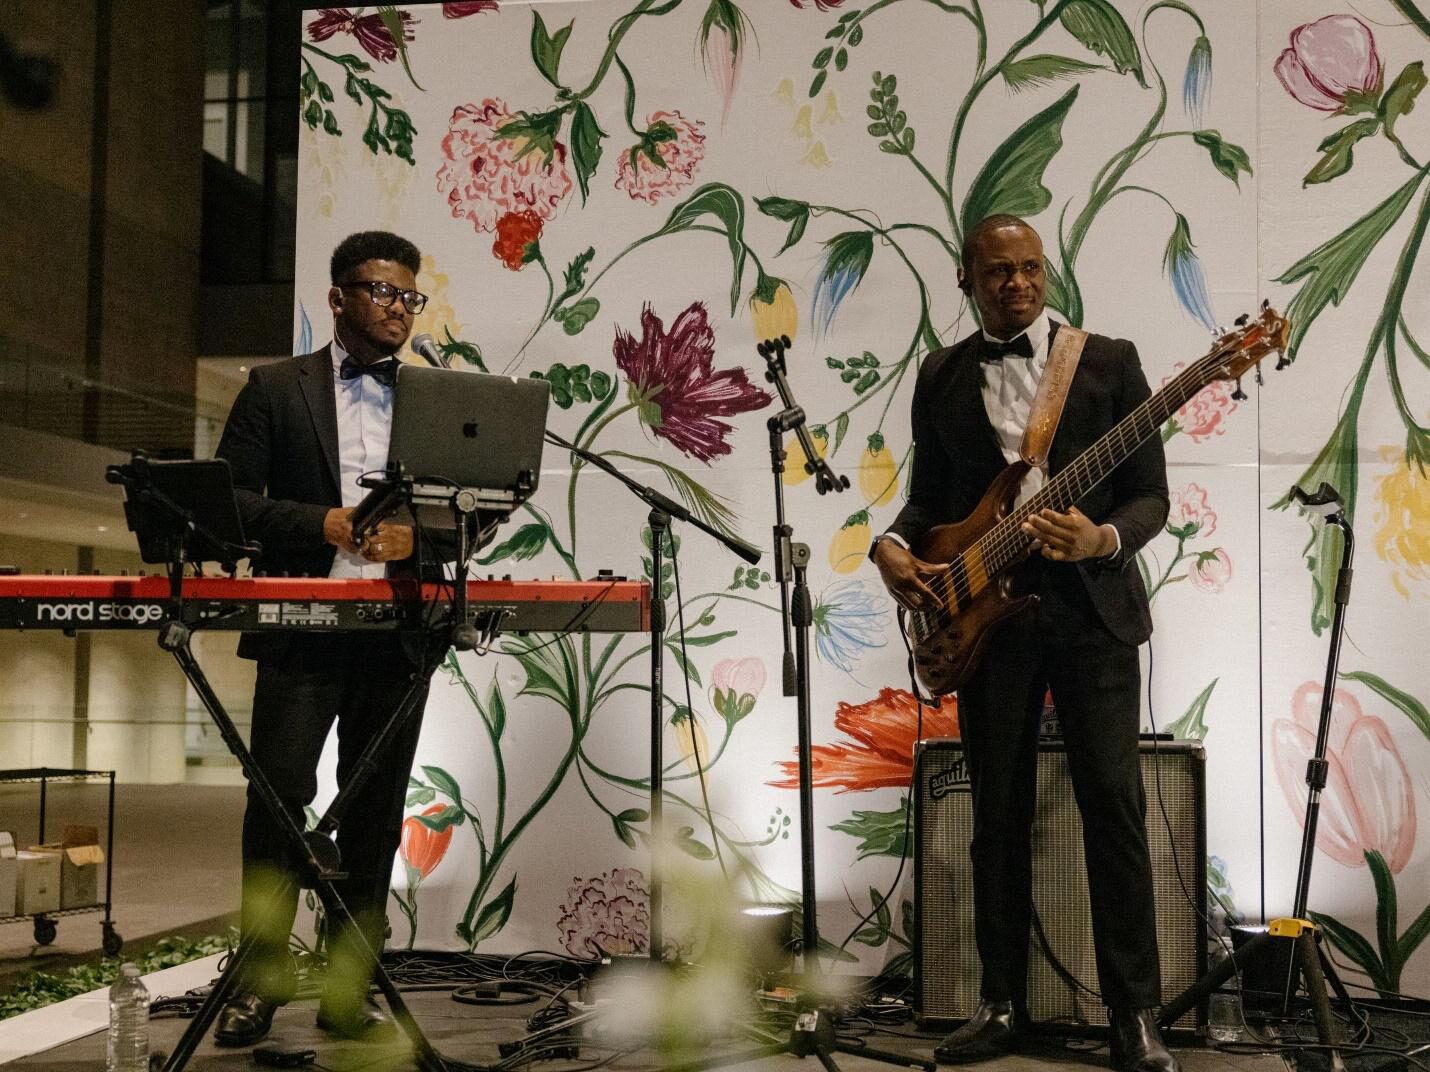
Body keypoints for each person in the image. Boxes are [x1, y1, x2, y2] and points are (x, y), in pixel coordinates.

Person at [872, 215, 1177, 1072]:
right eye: (999, 271)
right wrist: (891, 547)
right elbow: (930, 500)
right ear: (967, 279)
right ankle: (1000, 1005)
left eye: (1031, 268)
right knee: (994, 818)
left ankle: (1136, 1019)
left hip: (1093, 619)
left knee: (1112, 811)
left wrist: (1102, 539)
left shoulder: (1109, 362)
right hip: (987, 628)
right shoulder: (939, 374)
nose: (1018, 282)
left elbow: (1151, 496)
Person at [213, 230, 448, 1046]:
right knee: (277, 805)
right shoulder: (274, 389)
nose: (398, 309)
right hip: (302, 630)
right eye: (383, 292)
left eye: (409, 297)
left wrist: (420, 540)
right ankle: (256, 982)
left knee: (377, 815)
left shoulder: (435, 400)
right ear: (339, 297)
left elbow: (474, 514)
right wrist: (323, 522)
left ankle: (350, 988)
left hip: (398, 635)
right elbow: (229, 503)